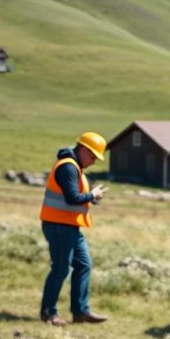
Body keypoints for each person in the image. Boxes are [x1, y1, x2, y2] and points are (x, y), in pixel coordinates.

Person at [39, 132, 110, 326]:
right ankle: (48, 313)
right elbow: (72, 197)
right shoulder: (68, 167)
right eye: (93, 156)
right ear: (84, 150)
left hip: (70, 226)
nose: (94, 161)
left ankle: (80, 311)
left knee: (83, 264)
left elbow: (76, 197)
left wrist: (91, 197)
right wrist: (92, 194)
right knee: (61, 269)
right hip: (59, 225)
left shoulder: (75, 167)